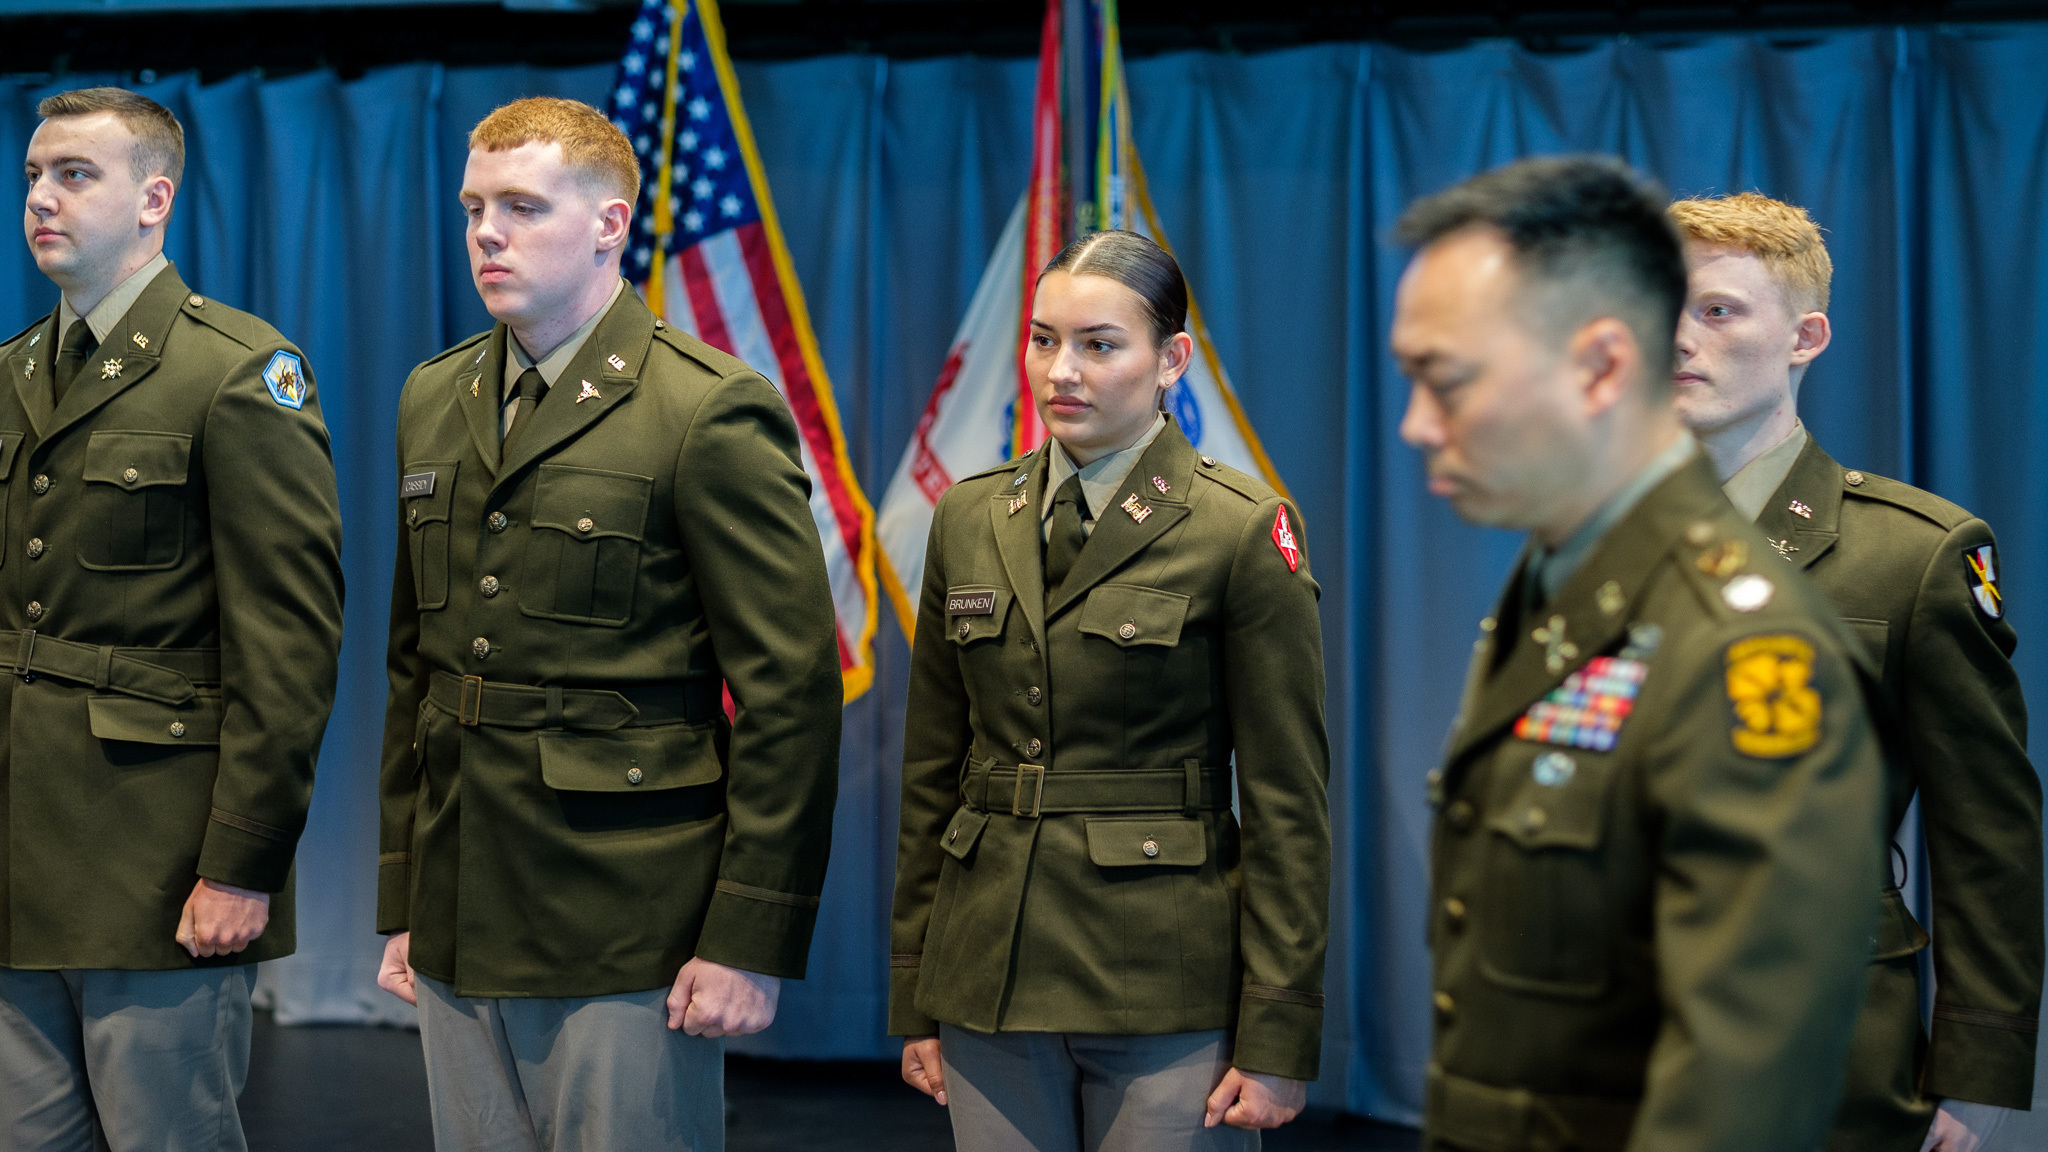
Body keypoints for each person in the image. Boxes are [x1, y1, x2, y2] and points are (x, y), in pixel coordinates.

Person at [1391, 156, 1890, 1152]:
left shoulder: (1739, 643)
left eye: (1446, 381)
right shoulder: (1557, 582)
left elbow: (1733, 1089)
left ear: (1601, 367)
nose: (1414, 425)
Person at [374, 97, 842, 1152]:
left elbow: (788, 697)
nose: (486, 232)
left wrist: (748, 939)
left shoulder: (706, 408)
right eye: (472, 207)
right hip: (459, 897)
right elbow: (418, 672)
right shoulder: (434, 396)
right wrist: (404, 894)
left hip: (628, 915)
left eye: (521, 205)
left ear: (608, 223)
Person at [889, 229, 1331, 1152]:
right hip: (988, 970)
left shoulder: (1241, 528)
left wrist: (1279, 1028)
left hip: (1161, 976)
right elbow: (934, 771)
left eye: (1100, 344)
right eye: (1045, 339)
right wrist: (915, 991)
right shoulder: (971, 515)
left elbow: (1291, 805)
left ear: (1171, 360)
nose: (1063, 371)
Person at [0, 88, 345, 1151]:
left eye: (75, 175)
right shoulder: (13, 371)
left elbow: (288, 648)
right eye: (32, 176)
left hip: (158, 860)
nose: (42, 199)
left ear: (156, 199)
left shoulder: (236, 371)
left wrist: (242, 860)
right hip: (20, 853)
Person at [1669, 191, 2043, 1152]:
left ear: (1806, 338)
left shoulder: (1911, 554)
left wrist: (1980, 1069)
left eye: (1715, 310)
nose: (1678, 337)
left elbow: (1989, 838)